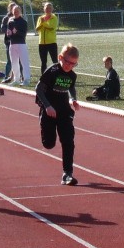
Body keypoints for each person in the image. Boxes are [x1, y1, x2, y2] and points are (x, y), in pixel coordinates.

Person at [37, 43, 82, 186]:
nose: (70, 66)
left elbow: (71, 87)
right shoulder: (52, 71)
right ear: (60, 57)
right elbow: (38, 89)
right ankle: (43, 126)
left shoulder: (72, 75)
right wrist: (47, 106)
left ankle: (67, 174)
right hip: (49, 111)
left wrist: (73, 99)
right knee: (49, 144)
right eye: (68, 62)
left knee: (68, 141)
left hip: (64, 111)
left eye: (73, 64)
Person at [3, 4, 30, 86]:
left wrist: (16, 32)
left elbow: (23, 34)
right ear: (12, 12)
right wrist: (9, 33)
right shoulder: (10, 21)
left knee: (24, 62)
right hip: (12, 44)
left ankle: (26, 79)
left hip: (21, 44)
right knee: (14, 63)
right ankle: (16, 79)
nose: (16, 13)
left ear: (20, 12)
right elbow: (9, 34)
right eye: (14, 11)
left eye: (17, 11)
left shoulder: (23, 22)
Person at [36, 2, 59, 71]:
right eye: (46, 8)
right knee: (43, 62)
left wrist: (44, 23)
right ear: (44, 9)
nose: (48, 9)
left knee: (55, 61)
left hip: (51, 43)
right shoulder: (40, 18)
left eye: (49, 8)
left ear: (52, 9)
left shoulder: (54, 18)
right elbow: (37, 28)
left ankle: (57, 75)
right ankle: (43, 77)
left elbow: (51, 28)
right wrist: (42, 23)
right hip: (42, 43)